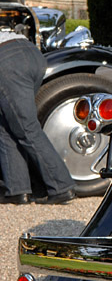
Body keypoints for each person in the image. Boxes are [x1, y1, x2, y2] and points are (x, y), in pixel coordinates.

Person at [0, 29, 75, 205]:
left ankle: (61, 187)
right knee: (6, 125)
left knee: (26, 127)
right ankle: (17, 190)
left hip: (7, 59)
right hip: (30, 52)